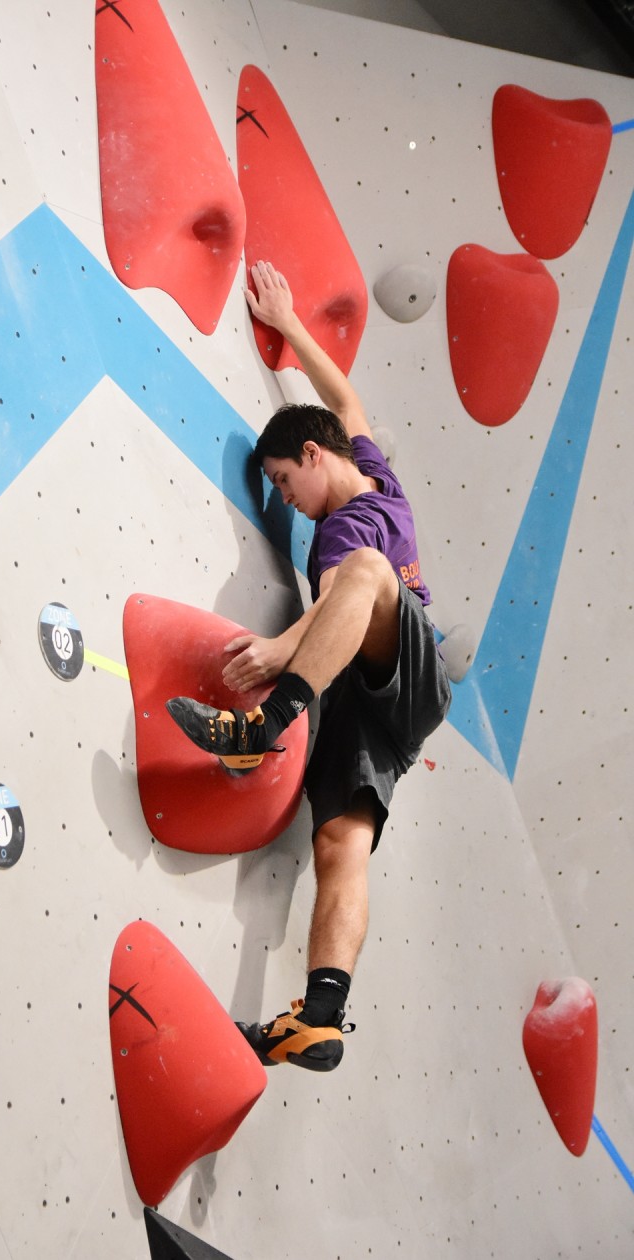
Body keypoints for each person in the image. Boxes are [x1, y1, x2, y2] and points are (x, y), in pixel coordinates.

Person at [167, 260, 451, 1072]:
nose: (286, 501)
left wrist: (278, 655)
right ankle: (320, 1014)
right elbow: (349, 406)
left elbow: (346, 408)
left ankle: (261, 727)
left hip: (407, 669)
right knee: (339, 847)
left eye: (287, 481)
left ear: (319, 455)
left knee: (367, 573)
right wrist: (288, 331)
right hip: (369, 708)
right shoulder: (361, 499)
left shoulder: (352, 521)